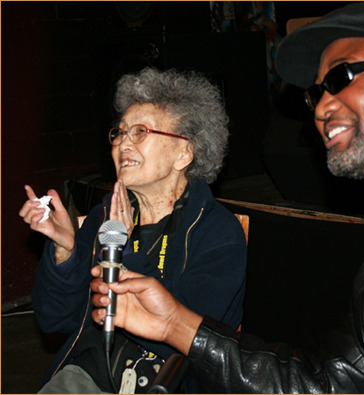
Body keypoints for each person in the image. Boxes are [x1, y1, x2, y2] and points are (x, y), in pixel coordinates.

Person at [90, 2, 364, 393]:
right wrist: (177, 326)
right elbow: (329, 384)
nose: (322, 107)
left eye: (340, 78)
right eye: (315, 93)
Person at [19, 67, 247, 393]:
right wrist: (66, 253)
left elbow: (179, 339)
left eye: (141, 132)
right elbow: (54, 320)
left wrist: (124, 253)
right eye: (119, 132)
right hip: (89, 377)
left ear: (184, 153)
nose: (123, 144)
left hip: (168, 384)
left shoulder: (217, 233)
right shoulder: (104, 219)